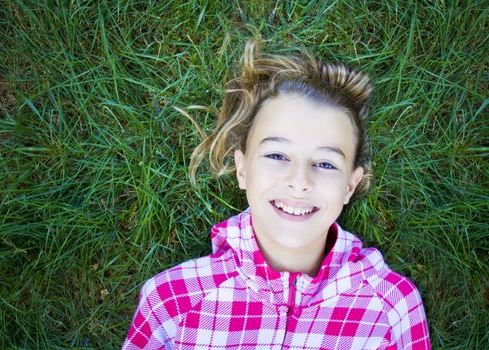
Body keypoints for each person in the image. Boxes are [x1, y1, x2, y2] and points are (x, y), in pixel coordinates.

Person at [122, 40, 431, 349]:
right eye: (277, 156)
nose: (299, 181)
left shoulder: (393, 307)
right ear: (242, 170)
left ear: (350, 186)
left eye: (325, 163)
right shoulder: (172, 301)